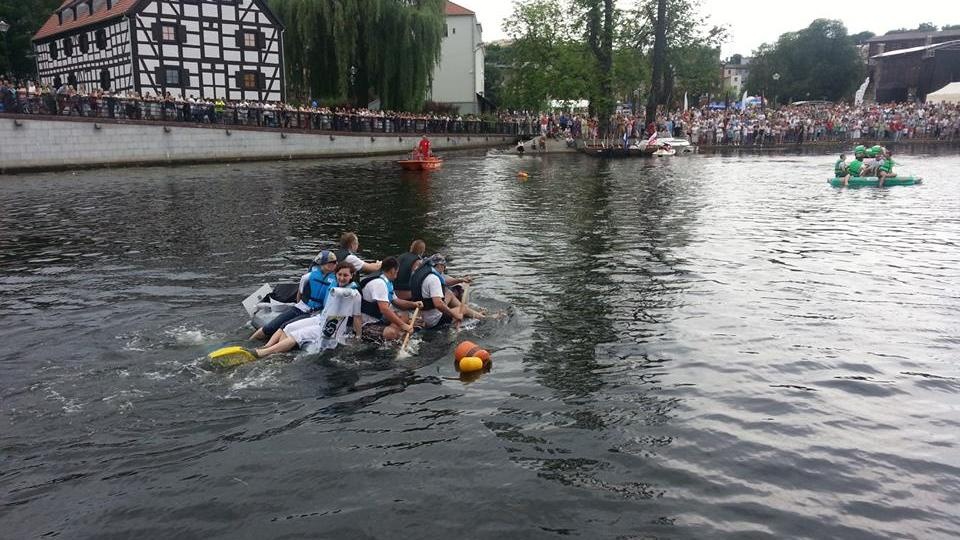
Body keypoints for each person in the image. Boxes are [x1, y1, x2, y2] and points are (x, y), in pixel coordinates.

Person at [253, 262, 363, 358]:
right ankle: (277, 355)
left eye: (346, 275)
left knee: (296, 335)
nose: (342, 278)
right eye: (339, 274)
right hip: (320, 318)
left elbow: (357, 317)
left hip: (330, 327)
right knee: (288, 327)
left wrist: (358, 337)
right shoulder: (334, 284)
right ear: (336, 274)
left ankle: (263, 353)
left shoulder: (353, 293)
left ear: (351, 276)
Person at [249, 250, 338, 341]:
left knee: (286, 328)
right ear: (321, 264)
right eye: (331, 262)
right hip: (300, 308)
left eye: (335, 262)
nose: (334, 264)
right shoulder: (308, 277)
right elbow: (300, 294)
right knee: (270, 327)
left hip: (314, 313)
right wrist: (298, 306)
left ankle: (270, 348)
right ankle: (248, 342)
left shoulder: (336, 280)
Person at [410, 254, 482, 330]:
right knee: (463, 308)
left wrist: (461, 280)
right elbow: (438, 304)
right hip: (434, 320)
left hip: (424, 313)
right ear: (440, 265)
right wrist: (454, 314)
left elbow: (445, 282)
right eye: (444, 267)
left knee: (449, 293)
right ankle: (483, 318)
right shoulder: (433, 279)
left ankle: (472, 313)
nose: (444, 271)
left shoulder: (422, 274)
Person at [359, 257, 423, 342]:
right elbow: (384, 309)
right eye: (397, 271)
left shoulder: (387, 282)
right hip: (365, 324)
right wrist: (403, 325)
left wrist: (414, 304)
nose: (397, 274)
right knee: (392, 333)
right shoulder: (379, 284)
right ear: (393, 270)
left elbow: (397, 301)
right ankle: (396, 336)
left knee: (404, 315)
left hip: (379, 319)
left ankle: (398, 334)